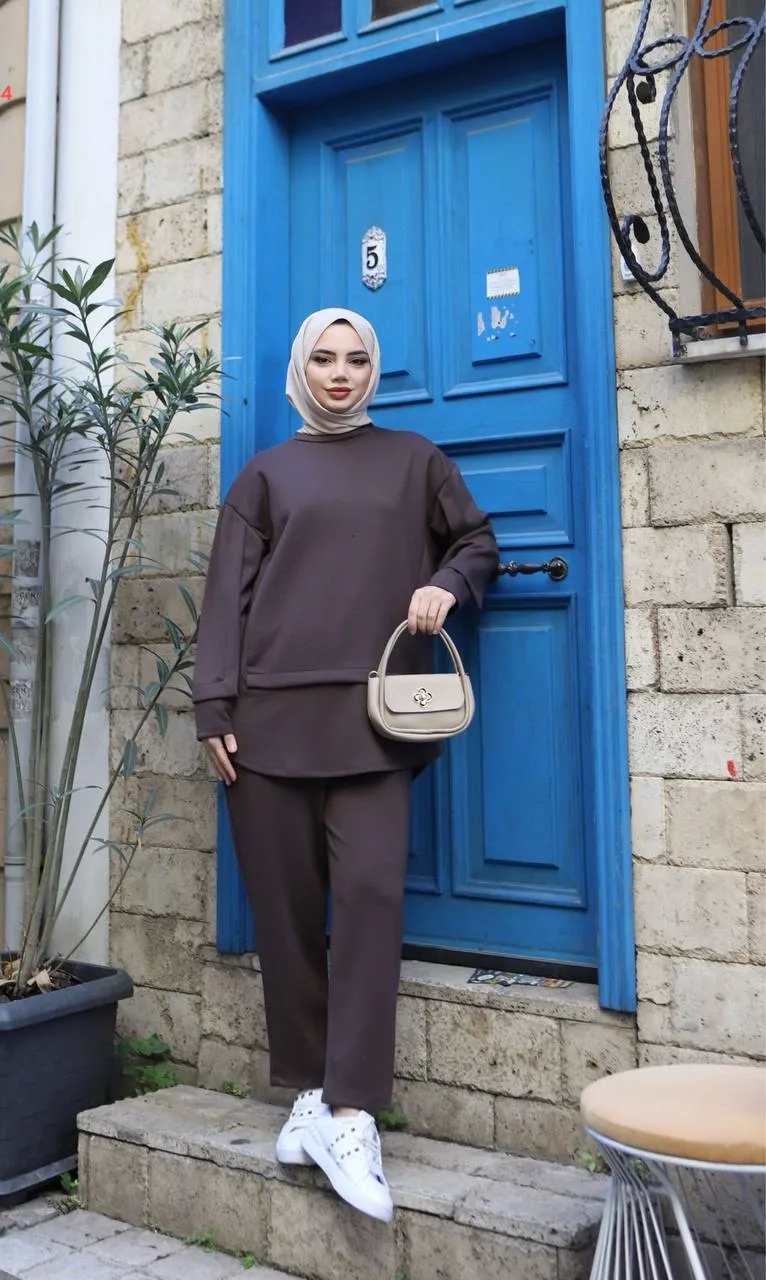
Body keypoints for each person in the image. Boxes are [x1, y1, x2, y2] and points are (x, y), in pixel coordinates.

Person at [193, 307, 499, 1223]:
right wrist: (213, 706)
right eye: (324, 358)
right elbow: (224, 599)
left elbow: (477, 542)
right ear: (302, 369)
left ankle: (353, 1114)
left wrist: (445, 584)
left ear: (374, 368)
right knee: (285, 917)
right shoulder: (265, 475)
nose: (340, 371)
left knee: (369, 899)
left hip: (375, 724)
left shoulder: (415, 461)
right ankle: (307, 1094)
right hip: (266, 727)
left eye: (356, 358)